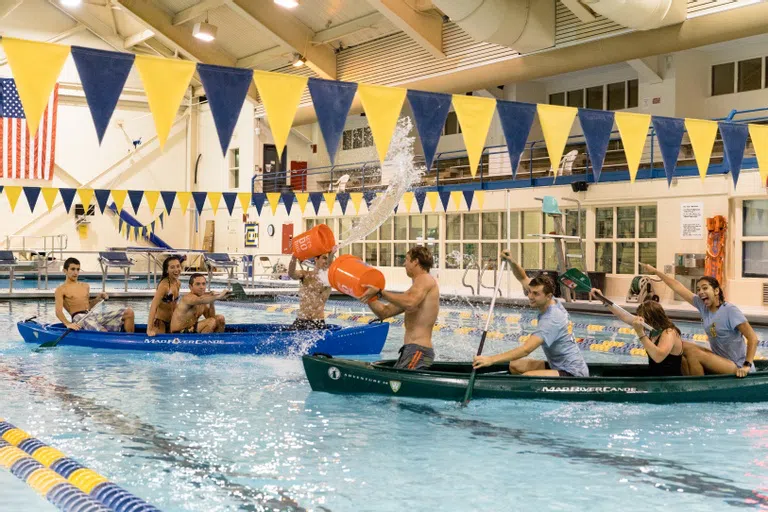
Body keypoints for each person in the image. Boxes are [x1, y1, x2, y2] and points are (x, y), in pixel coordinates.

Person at [473, 250, 589, 377]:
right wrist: (511, 261)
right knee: (515, 365)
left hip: (572, 372)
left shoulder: (552, 320)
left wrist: (491, 360)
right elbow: (522, 277)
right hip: (556, 365)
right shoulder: (550, 300)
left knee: (527, 377)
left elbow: (526, 349)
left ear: (548, 296)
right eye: (529, 292)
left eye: (535, 294)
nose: (530, 296)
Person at [640, 264, 757, 377]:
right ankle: (680, 379)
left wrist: (746, 365)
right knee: (682, 346)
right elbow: (677, 286)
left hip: (736, 365)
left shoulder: (730, 311)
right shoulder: (703, 306)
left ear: (716, 291)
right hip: (719, 359)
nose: (700, 292)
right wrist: (656, 272)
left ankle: (698, 386)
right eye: (698, 289)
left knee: (694, 353)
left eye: (705, 288)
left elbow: (753, 338)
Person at [359, 246, 439, 370]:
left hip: (419, 351)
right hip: (413, 351)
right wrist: (367, 295)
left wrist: (381, 292)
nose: (404, 264)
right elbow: (384, 312)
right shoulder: (414, 291)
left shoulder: (425, 279)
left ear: (416, 261)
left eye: (406, 259)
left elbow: (410, 303)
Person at [590, 289, 684, 376]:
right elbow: (625, 316)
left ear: (652, 319)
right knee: (609, 373)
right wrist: (603, 300)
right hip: (654, 376)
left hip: (668, 382)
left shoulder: (669, 333)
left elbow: (658, 357)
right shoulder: (654, 329)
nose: (640, 321)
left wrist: (640, 333)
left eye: (642, 318)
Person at [54, 257, 135, 332]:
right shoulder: (61, 289)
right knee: (102, 331)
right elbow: (58, 312)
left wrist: (98, 298)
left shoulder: (85, 286)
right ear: (65, 271)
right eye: (72, 269)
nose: (76, 272)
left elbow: (88, 306)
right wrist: (68, 324)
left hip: (92, 315)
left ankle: (132, 342)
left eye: (78, 269)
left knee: (129, 312)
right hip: (79, 318)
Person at [287, 247, 336, 329]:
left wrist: (332, 254)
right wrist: (294, 257)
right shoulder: (305, 275)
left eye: (328, 259)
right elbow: (291, 274)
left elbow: (329, 266)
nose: (326, 261)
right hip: (301, 320)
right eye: (324, 258)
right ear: (316, 259)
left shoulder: (327, 280)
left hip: (318, 322)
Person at [147, 255, 183, 336]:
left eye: (178, 266)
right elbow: (153, 306)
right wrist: (149, 329)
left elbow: (174, 304)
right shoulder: (164, 286)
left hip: (172, 322)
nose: (176, 270)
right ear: (167, 270)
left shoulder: (178, 283)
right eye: (172, 267)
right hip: (160, 322)